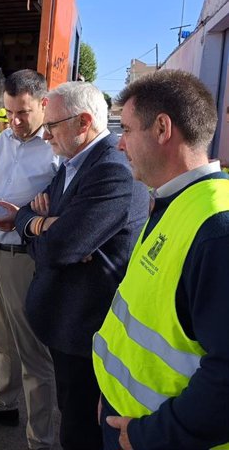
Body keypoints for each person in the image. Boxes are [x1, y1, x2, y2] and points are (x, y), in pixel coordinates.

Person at [93, 70, 229, 450]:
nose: (120, 144)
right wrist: (109, 393)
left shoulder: (218, 228)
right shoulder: (175, 201)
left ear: (162, 128)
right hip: (127, 420)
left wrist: (150, 436)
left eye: (128, 129)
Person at [13, 82, 149, 450]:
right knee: (71, 411)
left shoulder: (111, 171)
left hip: (85, 329)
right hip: (65, 322)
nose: (45, 135)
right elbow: (27, 216)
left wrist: (55, 234)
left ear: (83, 122)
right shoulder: (75, 162)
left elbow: (59, 250)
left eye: (52, 125)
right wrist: (42, 223)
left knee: (81, 427)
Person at [0, 69, 60, 450]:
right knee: (1, 340)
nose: (15, 121)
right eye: (9, 112)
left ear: (43, 105)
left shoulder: (57, 148)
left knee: (33, 353)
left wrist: (39, 211)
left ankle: (41, 439)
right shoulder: (2, 140)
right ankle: (4, 405)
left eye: (23, 112)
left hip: (28, 258)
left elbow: (66, 206)